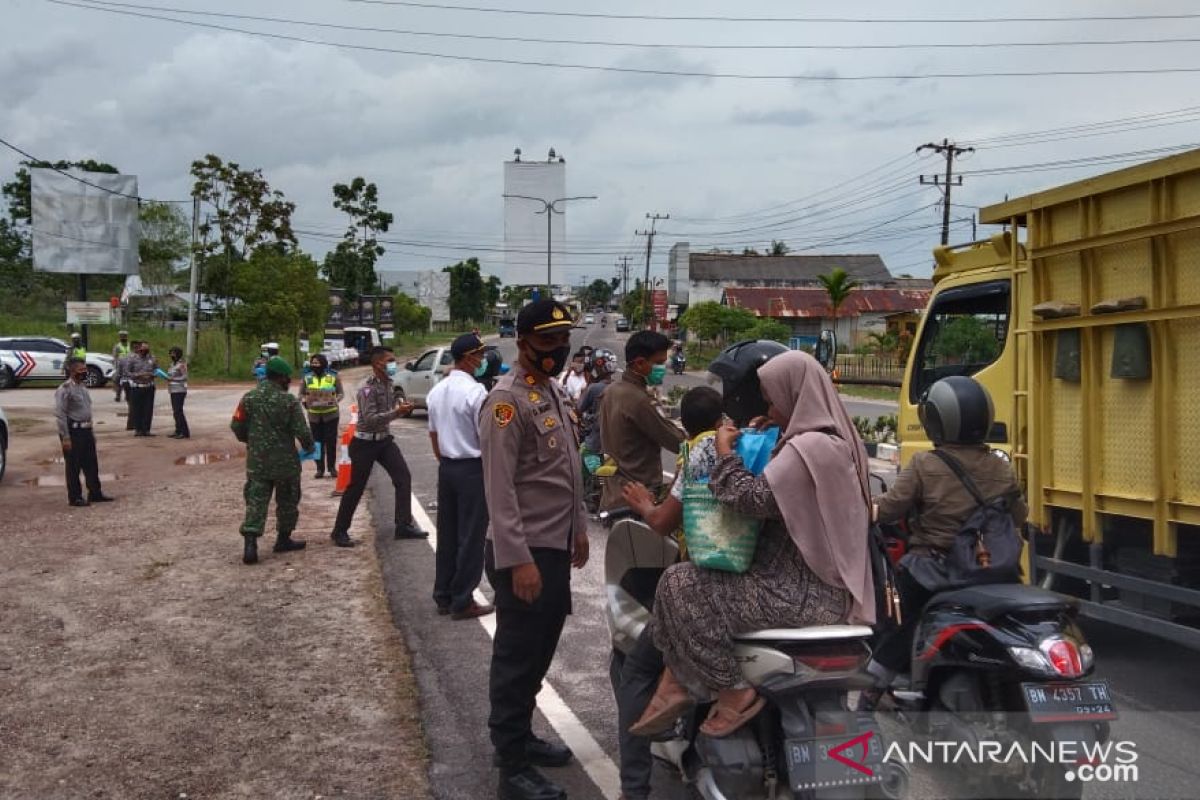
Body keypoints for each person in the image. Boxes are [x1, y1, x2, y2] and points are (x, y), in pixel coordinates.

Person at [630, 348, 875, 739]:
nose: (769, 406)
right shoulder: (837, 442)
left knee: (679, 583)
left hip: (796, 592)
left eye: (774, 398)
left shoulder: (806, 449)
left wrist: (725, 453)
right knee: (687, 584)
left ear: (793, 395)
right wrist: (773, 433)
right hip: (830, 589)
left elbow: (751, 499)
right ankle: (679, 681)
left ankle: (731, 691)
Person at [858, 376, 1027, 711]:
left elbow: (889, 508)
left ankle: (867, 697)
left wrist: (859, 509)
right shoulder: (1001, 466)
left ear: (935, 420)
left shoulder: (925, 464)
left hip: (934, 570)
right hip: (992, 572)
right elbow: (1019, 516)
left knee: (896, 626)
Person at [480, 299, 590, 800]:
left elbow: (566, 470)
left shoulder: (553, 393)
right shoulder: (506, 402)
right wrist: (517, 560)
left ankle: (522, 736)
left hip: (554, 547)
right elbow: (499, 491)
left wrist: (579, 530)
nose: (558, 349)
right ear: (522, 342)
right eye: (547, 341)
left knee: (540, 652)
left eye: (562, 340)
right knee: (517, 659)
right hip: (524, 552)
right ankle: (511, 767)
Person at [612, 386, 724, 800]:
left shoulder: (697, 454)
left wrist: (643, 503)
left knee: (636, 668)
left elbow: (662, 521)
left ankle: (634, 788)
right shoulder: (759, 445)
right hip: (774, 591)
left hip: (705, 583)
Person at [328, 346, 426, 547]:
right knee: (356, 487)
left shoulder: (389, 384)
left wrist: (401, 408)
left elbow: (385, 415)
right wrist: (397, 413)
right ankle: (339, 531)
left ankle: (403, 525)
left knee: (403, 477)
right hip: (364, 443)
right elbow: (371, 419)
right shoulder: (367, 389)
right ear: (377, 363)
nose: (393, 363)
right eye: (390, 360)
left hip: (383, 441)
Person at [427, 332, 494, 621]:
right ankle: (463, 599)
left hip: (448, 467)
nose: (482, 361)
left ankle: (443, 594)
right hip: (472, 468)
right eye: (479, 356)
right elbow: (486, 437)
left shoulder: (437, 391)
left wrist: (446, 460)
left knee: (449, 533)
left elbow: (433, 434)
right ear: (468, 358)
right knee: (471, 536)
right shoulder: (475, 392)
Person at [231, 356, 315, 565]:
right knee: (287, 500)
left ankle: (250, 544)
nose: (289, 382)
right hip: (285, 462)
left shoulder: (248, 398)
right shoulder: (288, 401)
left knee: (256, 502)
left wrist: (250, 440)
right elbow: (302, 431)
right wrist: (310, 447)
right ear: (281, 378)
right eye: (288, 378)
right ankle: (283, 539)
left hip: (257, 461)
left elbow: (237, 426)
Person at [598, 330, 684, 510]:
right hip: (638, 498)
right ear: (639, 363)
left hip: (614, 493)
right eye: (659, 363)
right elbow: (676, 441)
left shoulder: (613, 390)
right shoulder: (638, 399)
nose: (663, 368)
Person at [55, 358, 115, 507]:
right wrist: (66, 437)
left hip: (86, 430)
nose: (84, 372)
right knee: (73, 466)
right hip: (73, 431)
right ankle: (75, 497)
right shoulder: (64, 389)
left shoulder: (82, 387)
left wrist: (91, 433)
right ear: (72, 371)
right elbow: (60, 415)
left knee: (91, 464)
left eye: (85, 369)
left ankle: (95, 493)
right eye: (80, 370)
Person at [298, 354, 344, 478]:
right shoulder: (307, 378)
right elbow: (301, 394)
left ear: (323, 364)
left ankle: (332, 468)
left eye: (317, 363)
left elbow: (341, 393)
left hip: (331, 415)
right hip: (314, 416)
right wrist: (304, 401)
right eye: (313, 363)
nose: (315, 365)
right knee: (317, 443)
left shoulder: (333, 376)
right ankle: (320, 469)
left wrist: (335, 400)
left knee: (331, 442)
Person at [125, 340, 158, 436]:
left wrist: (151, 374)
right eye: (143, 349)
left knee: (148, 409)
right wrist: (138, 375)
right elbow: (127, 372)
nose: (145, 350)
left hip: (149, 387)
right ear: (139, 349)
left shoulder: (153, 358)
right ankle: (138, 429)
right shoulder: (132, 359)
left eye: (147, 349)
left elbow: (157, 370)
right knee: (137, 409)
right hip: (137, 387)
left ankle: (146, 429)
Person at [166, 346, 190, 439]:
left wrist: (173, 379)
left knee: (178, 411)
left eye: (173, 353)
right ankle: (178, 430)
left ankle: (184, 432)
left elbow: (185, 377)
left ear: (178, 354)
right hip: (173, 390)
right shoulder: (172, 364)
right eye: (171, 353)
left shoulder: (182, 364)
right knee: (175, 412)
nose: (171, 355)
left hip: (180, 390)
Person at [112, 330, 131, 402]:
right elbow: (114, 356)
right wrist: (116, 366)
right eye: (122, 336)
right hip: (120, 366)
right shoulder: (117, 346)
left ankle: (127, 395)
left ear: (127, 337)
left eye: (125, 336)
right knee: (118, 381)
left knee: (128, 381)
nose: (123, 337)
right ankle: (118, 395)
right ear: (119, 337)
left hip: (129, 366)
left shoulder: (130, 345)